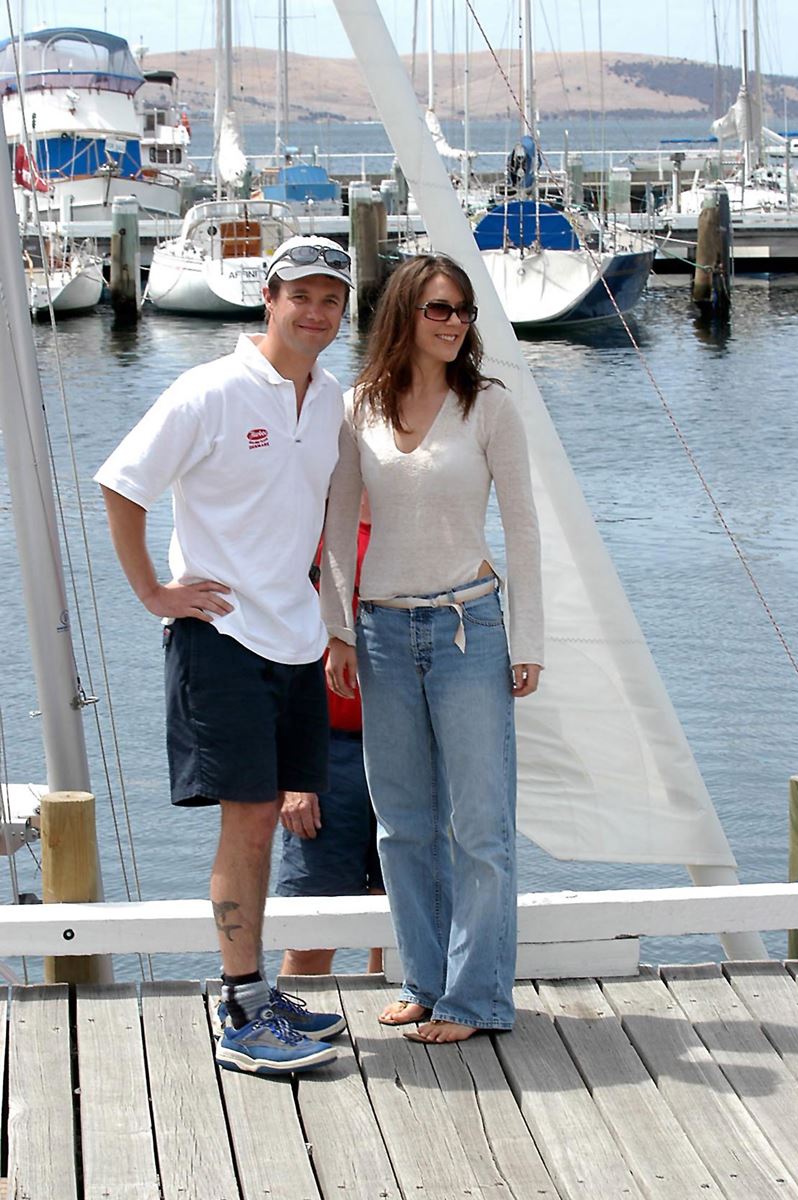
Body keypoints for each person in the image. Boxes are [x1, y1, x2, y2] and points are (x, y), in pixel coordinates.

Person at [95, 235, 353, 1076]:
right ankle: (240, 1009)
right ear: (268, 298)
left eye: (331, 299)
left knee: (267, 820)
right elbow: (122, 482)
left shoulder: (331, 402)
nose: (314, 313)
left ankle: (258, 994)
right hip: (221, 638)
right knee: (245, 825)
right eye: (300, 296)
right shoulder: (208, 390)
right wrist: (154, 594)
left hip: (297, 640)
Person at [321, 253, 543, 1045]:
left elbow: (522, 529)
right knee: (402, 824)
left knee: (480, 825)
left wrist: (529, 640)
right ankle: (425, 981)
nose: (454, 324)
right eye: (440, 310)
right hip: (379, 632)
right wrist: (337, 627)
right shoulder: (358, 408)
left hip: (468, 627)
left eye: (464, 312)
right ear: (405, 316)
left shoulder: (488, 407)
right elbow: (340, 525)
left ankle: (477, 999)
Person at [277, 494, 385, 976]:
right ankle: (291, 1019)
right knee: (312, 925)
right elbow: (276, 657)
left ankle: (400, 1025)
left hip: (409, 751)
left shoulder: (426, 531)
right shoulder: (305, 538)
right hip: (325, 754)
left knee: (401, 920)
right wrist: (292, 775)